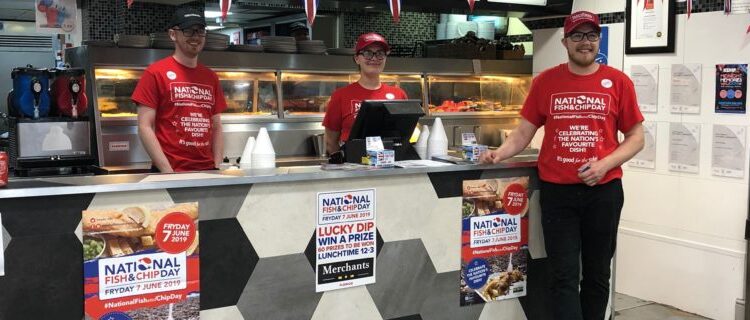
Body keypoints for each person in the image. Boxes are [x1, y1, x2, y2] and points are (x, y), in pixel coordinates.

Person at [480, 11, 645, 320]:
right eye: (578, 36)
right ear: (565, 41)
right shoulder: (546, 82)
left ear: (598, 40)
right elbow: (523, 132)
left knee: (597, 275)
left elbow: (636, 137)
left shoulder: (618, 82)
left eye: (591, 35)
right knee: (563, 276)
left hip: (604, 192)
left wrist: (604, 165)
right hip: (559, 194)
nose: (585, 43)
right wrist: (499, 153)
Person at [132, 7, 227, 173]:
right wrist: (167, 172)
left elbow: (217, 126)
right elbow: (144, 126)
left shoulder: (211, 77)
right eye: (188, 31)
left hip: (207, 171)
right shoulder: (155, 73)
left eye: (200, 31)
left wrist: (216, 166)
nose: (196, 37)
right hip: (170, 171)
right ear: (172, 34)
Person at [322, 32, 407, 155]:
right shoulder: (341, 96)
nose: (374, 58)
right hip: (353, 168)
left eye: (380, 53)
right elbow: (331, 142)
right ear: (357, 58)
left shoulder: (399, 94)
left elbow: (404, 136)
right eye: (367, 53)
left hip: (390, 167)